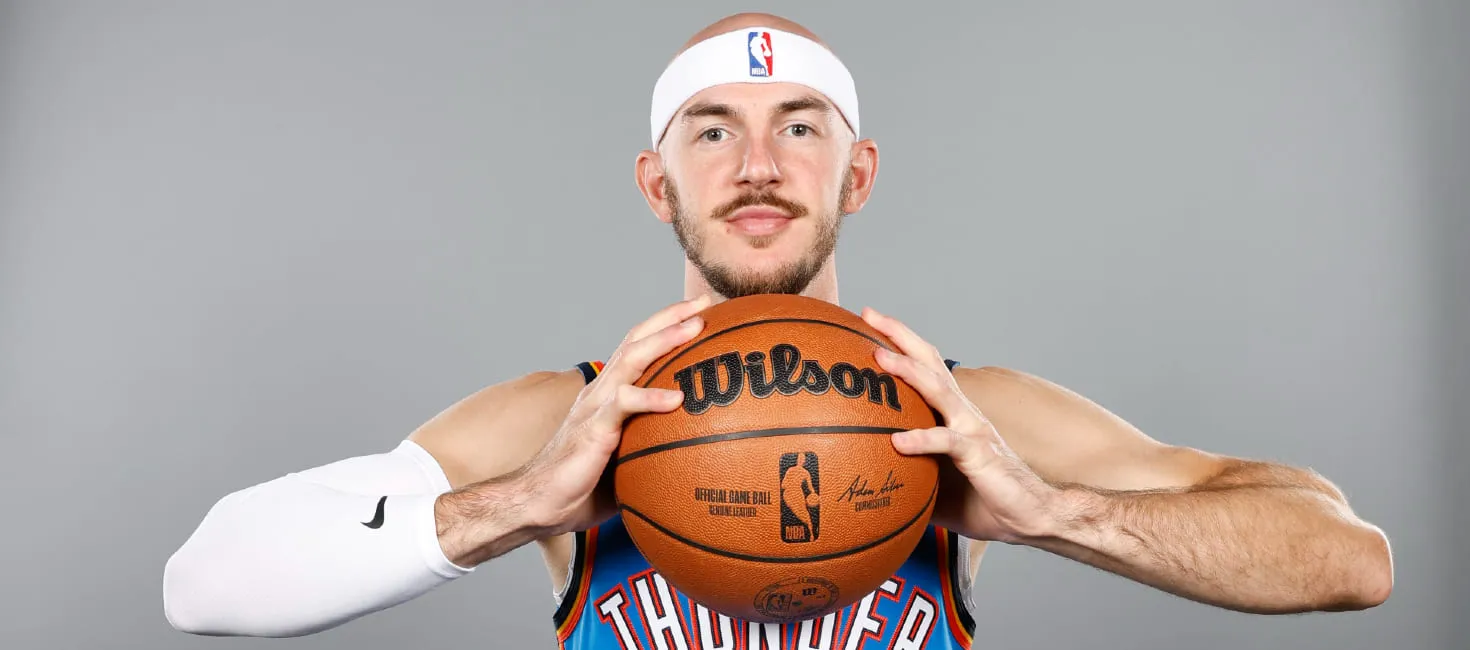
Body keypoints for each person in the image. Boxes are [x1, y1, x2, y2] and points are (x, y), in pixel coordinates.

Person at [161, 11, 1394, 649]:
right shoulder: (565, 421)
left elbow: (1348, 556)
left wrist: (1058, 514)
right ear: (658, 183)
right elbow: (202, 581)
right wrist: (523, 502)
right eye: (714, 131)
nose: (758, 165)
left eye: (799, 126)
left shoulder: (959, 417)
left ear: (857, 173)